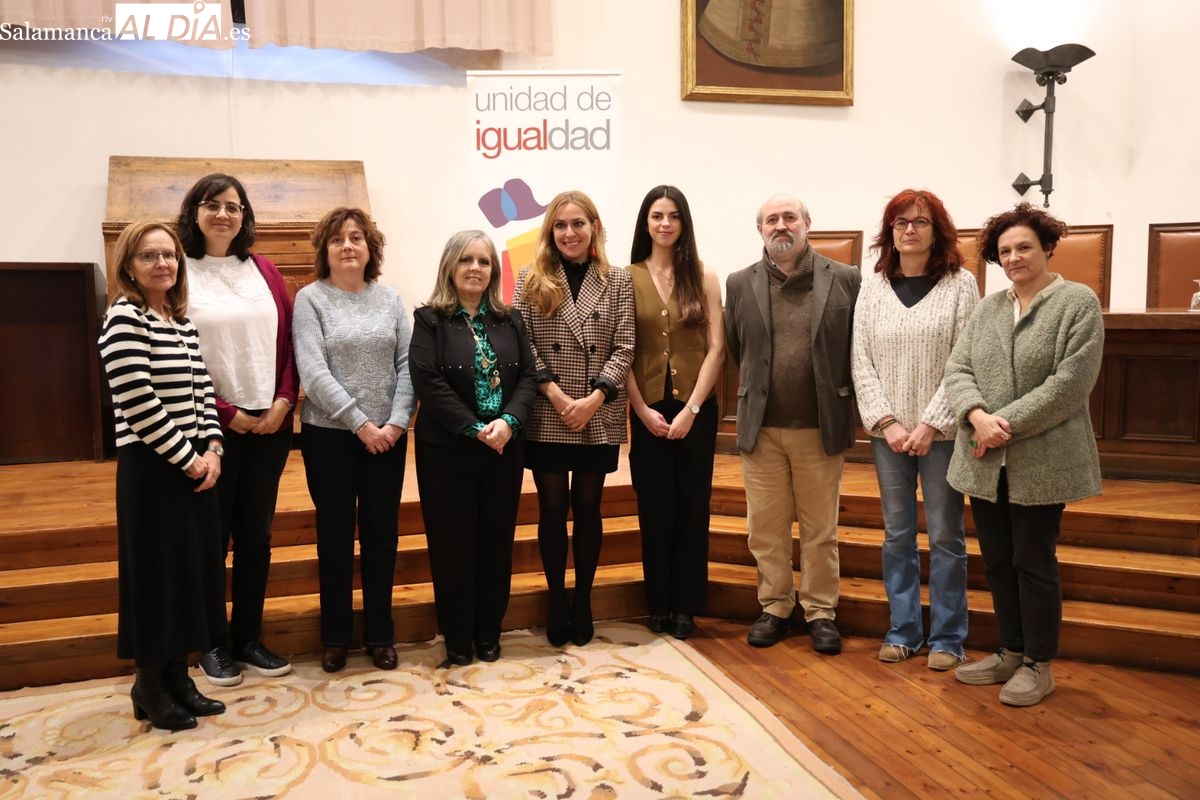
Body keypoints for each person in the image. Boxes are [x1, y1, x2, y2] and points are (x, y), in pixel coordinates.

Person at [945, 202, 1103, 706]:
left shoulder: (1078, 302)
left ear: (1047, 248)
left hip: (1042, 458)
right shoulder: (988, 307)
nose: (1013, 257)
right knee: (996, 561)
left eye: (1024, 248)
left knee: (1033, 559)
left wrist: (1001, 425)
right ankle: (1010, 650)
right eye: (1005, 250)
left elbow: (1070, 384)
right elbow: (958, 368)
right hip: (983, 457)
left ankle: (1039, 663)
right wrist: (975, 416)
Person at [99, 221, 228, 731]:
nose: (162, 264)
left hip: (194, 465)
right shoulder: (124, 319)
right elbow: (138, 401)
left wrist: (214, 447)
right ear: (129, 264)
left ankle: (178, 677)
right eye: (150, 256)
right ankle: (150, 684)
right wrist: (188, 457)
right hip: (153, 470)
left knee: (187, 576)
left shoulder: (179, 321)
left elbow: (203, 389)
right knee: (155, 579)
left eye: (169, 255)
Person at [724, 193, 861, 653]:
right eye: (771, 220)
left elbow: (853, 349)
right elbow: (735, 347)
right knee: (765, 528)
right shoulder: (739, 283)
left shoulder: (845, 279)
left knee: (820, 530)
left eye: (789, 218)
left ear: (807, 224)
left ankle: (820, 611)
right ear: (760, 229)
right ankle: (776, 605)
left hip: (819, 428)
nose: (780, 226)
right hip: (760, 429)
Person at [176, 173, 297, 687]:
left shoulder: (264, 270)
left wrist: (284, 402)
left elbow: (289, 341)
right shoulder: (179, 269)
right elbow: (177, 356)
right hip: (211, 428)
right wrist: (227, 414)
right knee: (211, 538)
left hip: (269, 423)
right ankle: (210, 643)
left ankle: (247, 637)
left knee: (257, 536)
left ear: (245, 216)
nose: (224, 215)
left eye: (234, 206)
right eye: (213, 205)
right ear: (195, 212)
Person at [851, 189, 978, 671]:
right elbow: (859, 360)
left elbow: (965, 362)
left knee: (946, 536)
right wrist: (888, 422)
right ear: (890, 231)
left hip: (942, 436)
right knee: (896, 534)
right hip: (889, 436)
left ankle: (948, 636)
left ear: (936, 230)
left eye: (920, 222)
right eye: (901, 222)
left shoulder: (961, 285)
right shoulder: (874, 286)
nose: (910, 229)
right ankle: (903, 629)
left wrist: (931, 423)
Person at [292, 207, 415, 674]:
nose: (348, 245)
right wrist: (360, 423)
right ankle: (336, 636)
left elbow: (408, 364)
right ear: (326, 249)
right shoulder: (311, 299)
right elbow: (313, 370)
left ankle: (381, 635)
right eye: (338, 239)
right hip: (330, 437)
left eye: (357, 238)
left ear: (370, 248)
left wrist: (398, 421)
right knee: (336, 536)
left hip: (389, 436)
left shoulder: (389, 300)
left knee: (383, 537)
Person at [512, 190, 635, 647]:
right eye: (561, 225)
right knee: (550, 509)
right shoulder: (530, 277)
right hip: (548, 410)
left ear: (595, 228)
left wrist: (594, 398)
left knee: (587, 509)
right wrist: (559, 396)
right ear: (550, 232)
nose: (570, 233)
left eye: (578, 223)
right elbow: (523, 345)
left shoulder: (618, 280)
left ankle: (582, 598)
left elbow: (625, 346)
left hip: (596, 413)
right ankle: (556, 598)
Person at [410, 231, 537, 666]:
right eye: (466, 259)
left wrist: (508, 422)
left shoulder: (511, 319)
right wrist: (474, 427)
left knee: (496, 542)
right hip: (447, 449)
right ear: (450, 265)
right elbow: (427, 379)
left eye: (484, 261)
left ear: (493, 270)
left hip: (504, 448)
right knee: (452, 544)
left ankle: (489, 632)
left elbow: (528, 378)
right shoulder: (430, 319)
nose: (475, 268)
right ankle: (458, 636)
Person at [625, 186, 724, 640]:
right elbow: (620, 350)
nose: (664, 224)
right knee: (654, 507)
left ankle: (685, 605)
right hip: (648, 410)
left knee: (691, 507)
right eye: (656, 215)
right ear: (645, 223)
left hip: (695, 410)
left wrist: (693, 409)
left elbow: (717, 347)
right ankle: (657, 603)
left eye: (673, 216)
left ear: (684, 223)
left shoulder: (703, 276)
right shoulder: (624, 277)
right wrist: (641, 410)